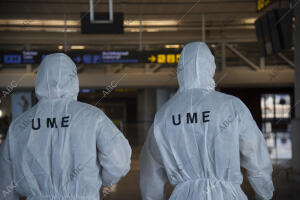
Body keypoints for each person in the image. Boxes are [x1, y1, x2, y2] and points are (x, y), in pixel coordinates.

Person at [140, 42, 274, 200]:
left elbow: (151, 171)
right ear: (211, 67)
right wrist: (264, 194)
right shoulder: (231, 106)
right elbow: (256, 155)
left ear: (180, 70)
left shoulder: (163, 115)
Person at [0, 53, 132, 200]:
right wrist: (106, 180)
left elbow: (6, 179)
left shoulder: (18, 125)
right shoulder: (93, 117)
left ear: (40, 79)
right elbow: (119, 161)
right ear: (73, 79)